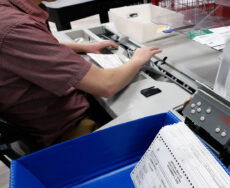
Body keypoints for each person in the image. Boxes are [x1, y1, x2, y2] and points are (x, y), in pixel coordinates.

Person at [0, 0, 162, 148]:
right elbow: (106, 85)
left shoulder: (10, 12)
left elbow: (36, 43)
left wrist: (83, 47)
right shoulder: (13, 26)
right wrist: (136, 60)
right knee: (159, 132)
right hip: (69, 130)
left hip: (57, 112)